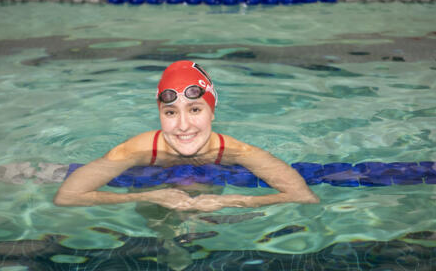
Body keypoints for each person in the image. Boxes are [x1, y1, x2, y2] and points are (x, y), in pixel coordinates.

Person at [54, 60, 319, 212]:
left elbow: (303, 196)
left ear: (212, 112)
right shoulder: (134, 151)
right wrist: (144, 197)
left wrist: (232, 201)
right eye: (170, 113)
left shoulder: (240, 152)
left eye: (195, 109)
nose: (183, 126)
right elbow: (67, 196)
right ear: (159, 114)